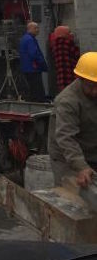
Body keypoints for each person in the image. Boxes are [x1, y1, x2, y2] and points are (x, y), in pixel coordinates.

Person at [48, 52, 97, 187]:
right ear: (80, 78)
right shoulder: (68, 101)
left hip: (90, 149)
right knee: (72, 197)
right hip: (66, 155)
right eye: (91, 86)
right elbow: (66, 137)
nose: (95, 91)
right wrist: (81, 166)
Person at [19, 21, 48, 102]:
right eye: (36, 28)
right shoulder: (29, 40)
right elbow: (34, 54)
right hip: (33, 69)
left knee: (33, 89)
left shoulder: (25, 38)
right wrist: (43, 64)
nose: (38, 30)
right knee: (37, 90)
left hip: (28, 68)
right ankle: (40, 107)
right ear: (29, 29)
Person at [51, 25, 80, 93]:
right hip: (70, 73)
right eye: (69, 32)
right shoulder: (68, 43)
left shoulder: (55, 45)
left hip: (61, 74)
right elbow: (77, 55)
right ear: (64, 34)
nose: (71, 34)